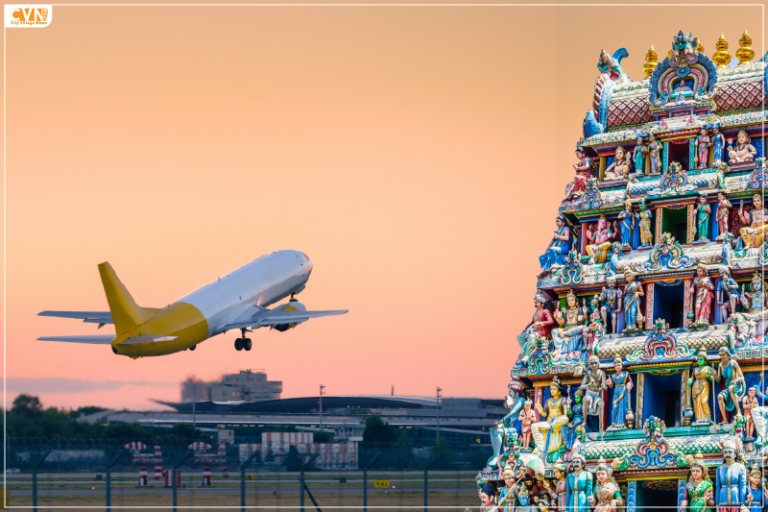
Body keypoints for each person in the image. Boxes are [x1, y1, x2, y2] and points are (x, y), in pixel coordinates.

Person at [532, 377, 571, 461]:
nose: (552, 391)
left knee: (565, 419)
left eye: (554, 389)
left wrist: (568, 407)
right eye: (551, 389)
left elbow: (566, 415)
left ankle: (552, 427)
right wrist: (539, 409)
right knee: (534, 426)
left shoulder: (563, 399)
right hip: (549, 422)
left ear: (559, 391)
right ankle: (540, 446)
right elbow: (545, 413)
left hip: (557, 421)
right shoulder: (548, 400)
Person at [716, 437, 749, 512]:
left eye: (730, 452)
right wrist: (717, 504)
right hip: (722, 500)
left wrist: (742, 503)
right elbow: (718, 487)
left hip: (736, 500)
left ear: (735, 454)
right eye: (725, 452)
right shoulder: (719, 468)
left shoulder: (740, 467)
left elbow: (743, 486)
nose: (727, 454)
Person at [717, 348, 746, 425]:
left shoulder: (733, 363)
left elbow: (741, 377)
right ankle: (725, 420)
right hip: (728, 388)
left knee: (731, 388)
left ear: (728, 355)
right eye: (720, 355)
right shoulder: (720, 365)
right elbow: (718, 380)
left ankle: (738, 411)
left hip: (737, 387)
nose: (722, 356)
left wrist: (736, 382)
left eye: (723, 354)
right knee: (719, 396)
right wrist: (713, 375)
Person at [687, 350, 715, 425]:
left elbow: (713, 379)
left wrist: (710, 375)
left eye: (701, 359)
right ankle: (698, 419)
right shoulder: (694, 370)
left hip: (704, 385)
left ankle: (708, 418)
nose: (699, 361)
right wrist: (690, 380)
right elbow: (692, 378)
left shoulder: (708, 368)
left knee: (704, 401)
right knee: (697, 402)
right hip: (696, 386)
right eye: (698, 359)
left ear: (705, 361)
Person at [607, 357, 632, 430]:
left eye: (619, 365)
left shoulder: (626, 374)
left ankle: (624, 424)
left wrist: (629, 384)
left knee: (624, 407)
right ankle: (613, 424)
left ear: (622, 365)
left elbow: (630, 382)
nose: (617, 367)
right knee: (615, 407)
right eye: (616, 366)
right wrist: (609, 383)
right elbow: (611, 386)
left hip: (624, 391)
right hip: (616, 392)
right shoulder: (613, 376)